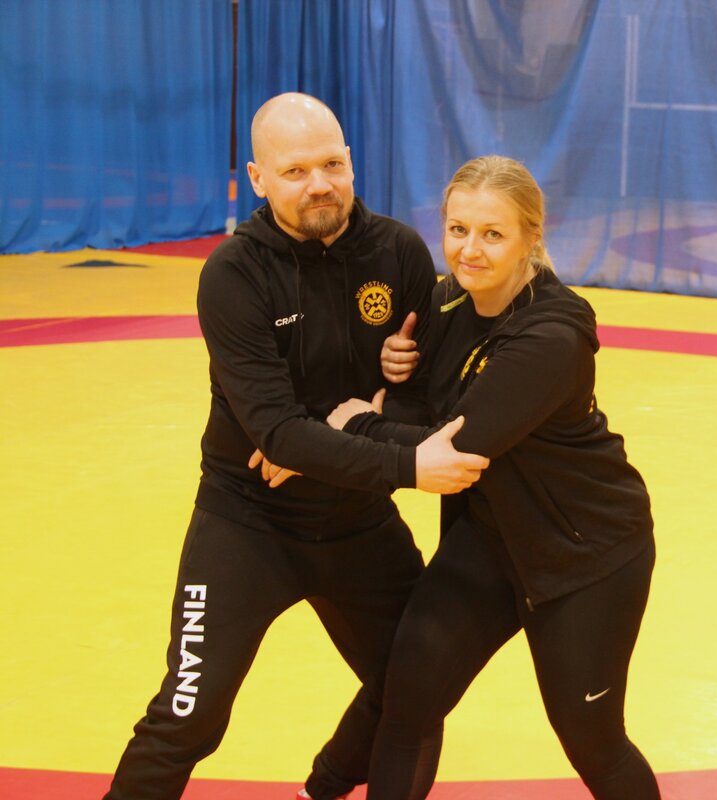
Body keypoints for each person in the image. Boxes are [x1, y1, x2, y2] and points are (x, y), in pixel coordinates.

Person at [103, 93, 488, 800]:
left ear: (351, 162)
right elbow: (275, 433)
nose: (320, 185)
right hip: (248, 519)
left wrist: (357, 417)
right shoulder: (234, 273)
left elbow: (423, 394)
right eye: (295, 171)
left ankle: (327, 787)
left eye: (332, 164)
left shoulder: (398, 251)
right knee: (188, 717)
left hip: (357, 519)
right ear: (257, 178)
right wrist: (400, 460)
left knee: (416, 689)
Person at [327, 155, 661, 798]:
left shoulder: (552, 335)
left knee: (592, 740)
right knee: (408, 698)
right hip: (488, 539)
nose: (469, 250)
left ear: (532, 237)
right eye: (457, 230)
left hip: (583, 555)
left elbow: (460, 447)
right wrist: (396, 376)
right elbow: (423, 407)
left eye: (492, 234)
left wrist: (357, 425)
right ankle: (326, 785)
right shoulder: (446, 301)